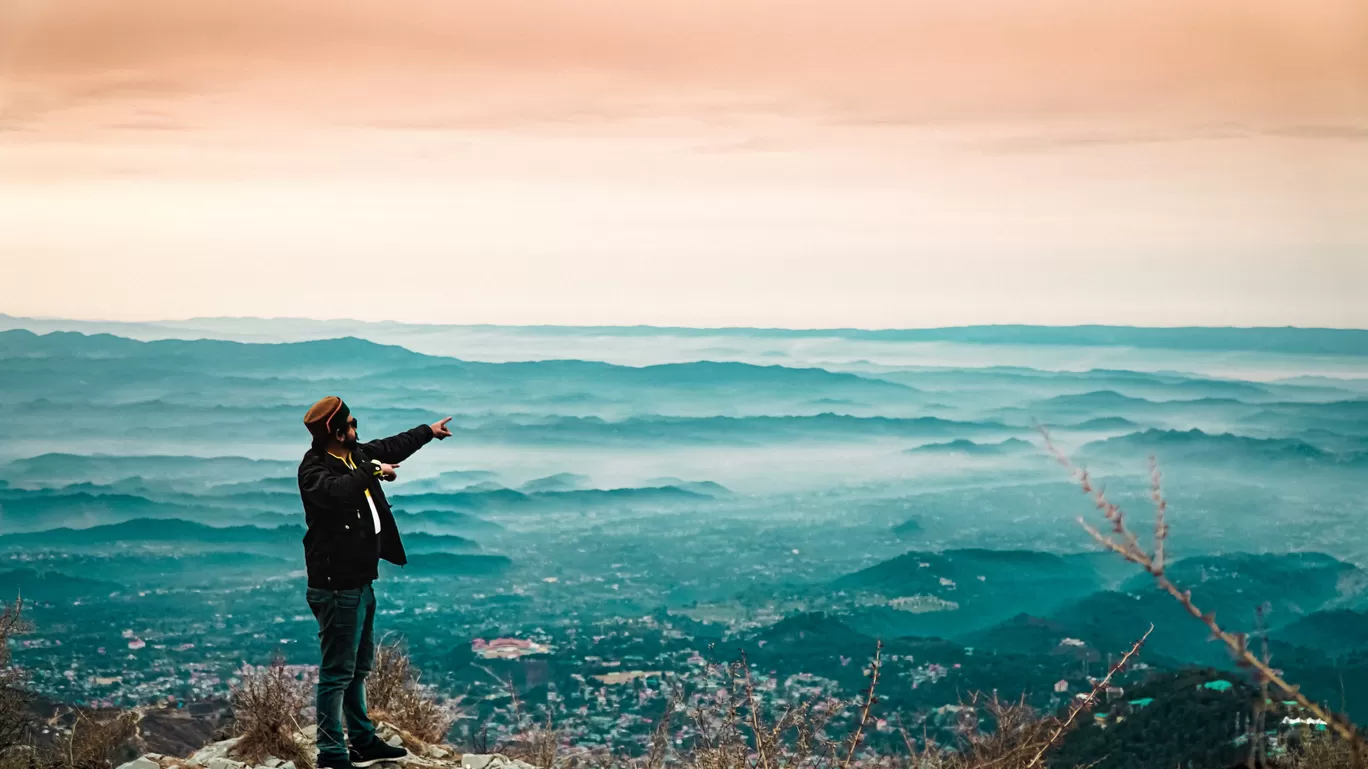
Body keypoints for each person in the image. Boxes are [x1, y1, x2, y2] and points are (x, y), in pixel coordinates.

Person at [299, 396, 453, 769]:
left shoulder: (356, 456)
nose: (357, 428)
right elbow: (340, 493)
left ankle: (364, 741)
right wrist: (375, 471)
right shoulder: (315, 470)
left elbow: (390, 446)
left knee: (357, 669)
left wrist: (427, 433)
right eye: (351, 424)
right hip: (336, 586)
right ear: (336, 432)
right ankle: (332, 754)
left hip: (361, 582)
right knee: (337, 673)